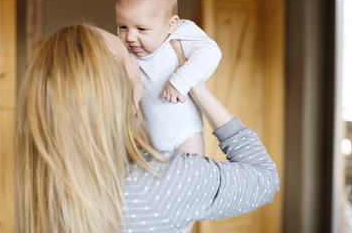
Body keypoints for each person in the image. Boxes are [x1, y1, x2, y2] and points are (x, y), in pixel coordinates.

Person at [14, 23, 279, 233]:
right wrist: (195, 84)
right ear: (127, 98)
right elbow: (265, 179)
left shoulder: (41, 187)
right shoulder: (165, 180)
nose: (135, 49)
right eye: (130, 56)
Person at [115, 0, 222, 155]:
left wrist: (180, 80)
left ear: (170, 24)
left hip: (184, 133)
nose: (130, 37)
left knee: (192, 175)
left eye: (141, 29)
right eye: (122, 27)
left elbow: (211, 53)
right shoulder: (124, 48)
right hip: (145, 137)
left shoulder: (181, 34)